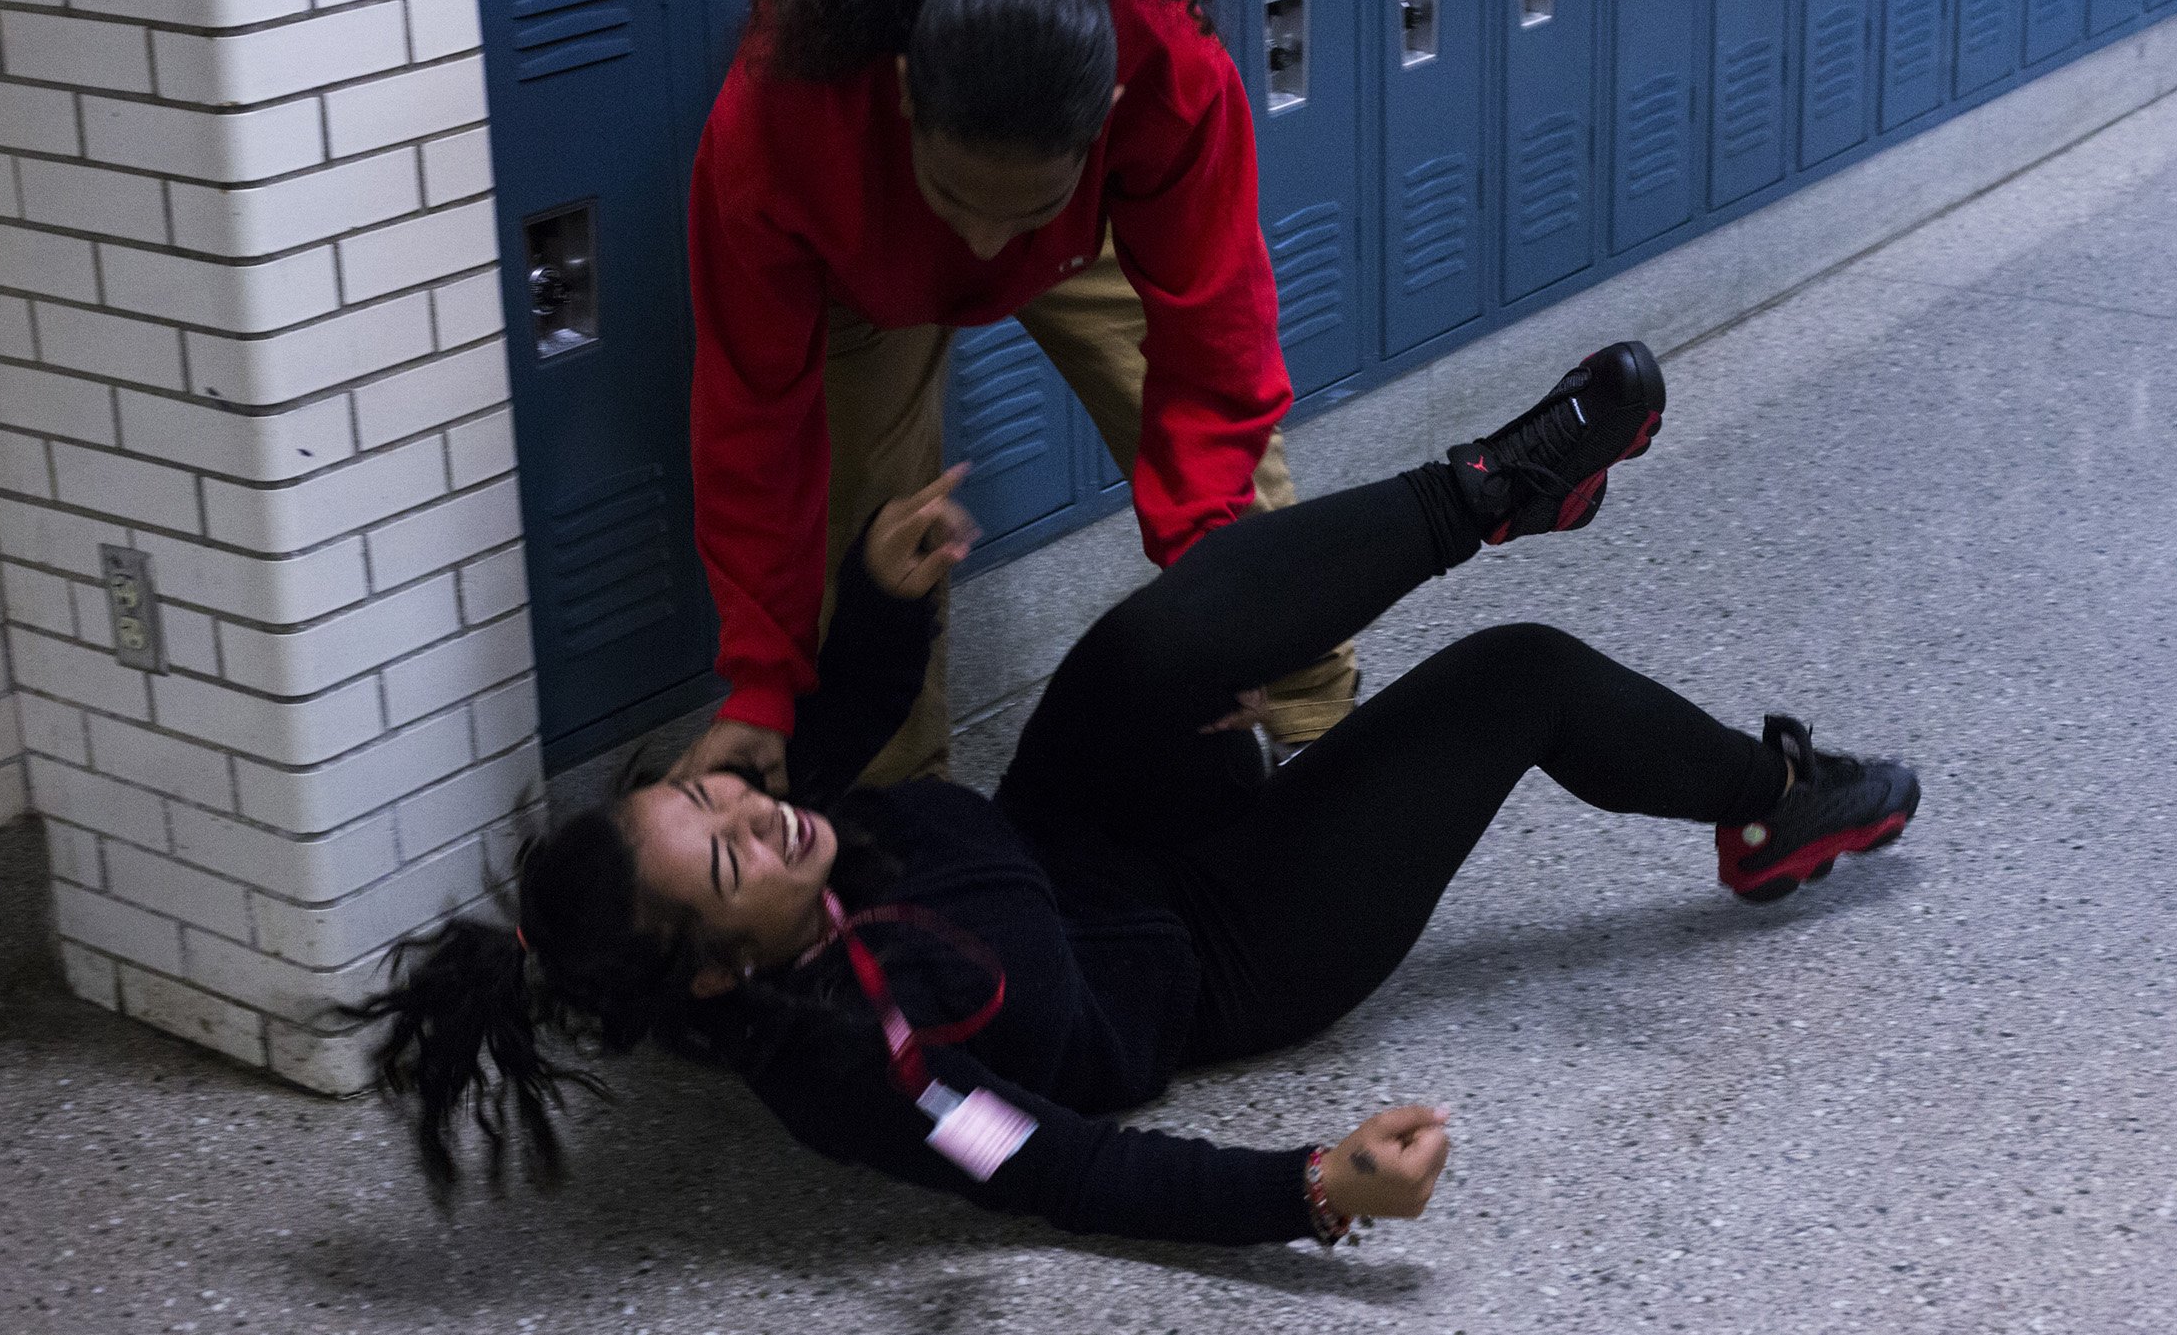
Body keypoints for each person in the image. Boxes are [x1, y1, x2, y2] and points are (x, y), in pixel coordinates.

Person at [358, 345, 1921, 1245]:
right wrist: (1314, 1191)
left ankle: (1493, 490)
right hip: (1222, 948)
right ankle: (1772, 803)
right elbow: (1057, 1167)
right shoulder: (864, 1070)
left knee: (1158, 635)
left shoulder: (784, 843)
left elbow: (825, 737)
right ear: (722, 966)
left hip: (1088, 825)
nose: (750, 814)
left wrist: (881, 596)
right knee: (1518, 677)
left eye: (706, 799)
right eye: (722, 856)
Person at [679, 0, 1355, 795]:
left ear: (1109, 116)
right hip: (865, 251)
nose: (985, 243)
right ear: (905, 93)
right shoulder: (779, 125)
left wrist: (1217, 610)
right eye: (961, 199)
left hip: (1085, 231)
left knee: (1232, 483)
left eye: (1017, 212)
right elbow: (753, 415)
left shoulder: (1170, 71)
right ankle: (905, 814)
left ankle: (1315, 734)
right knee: (866, 533)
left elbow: (1215, 346)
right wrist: (763, 683)